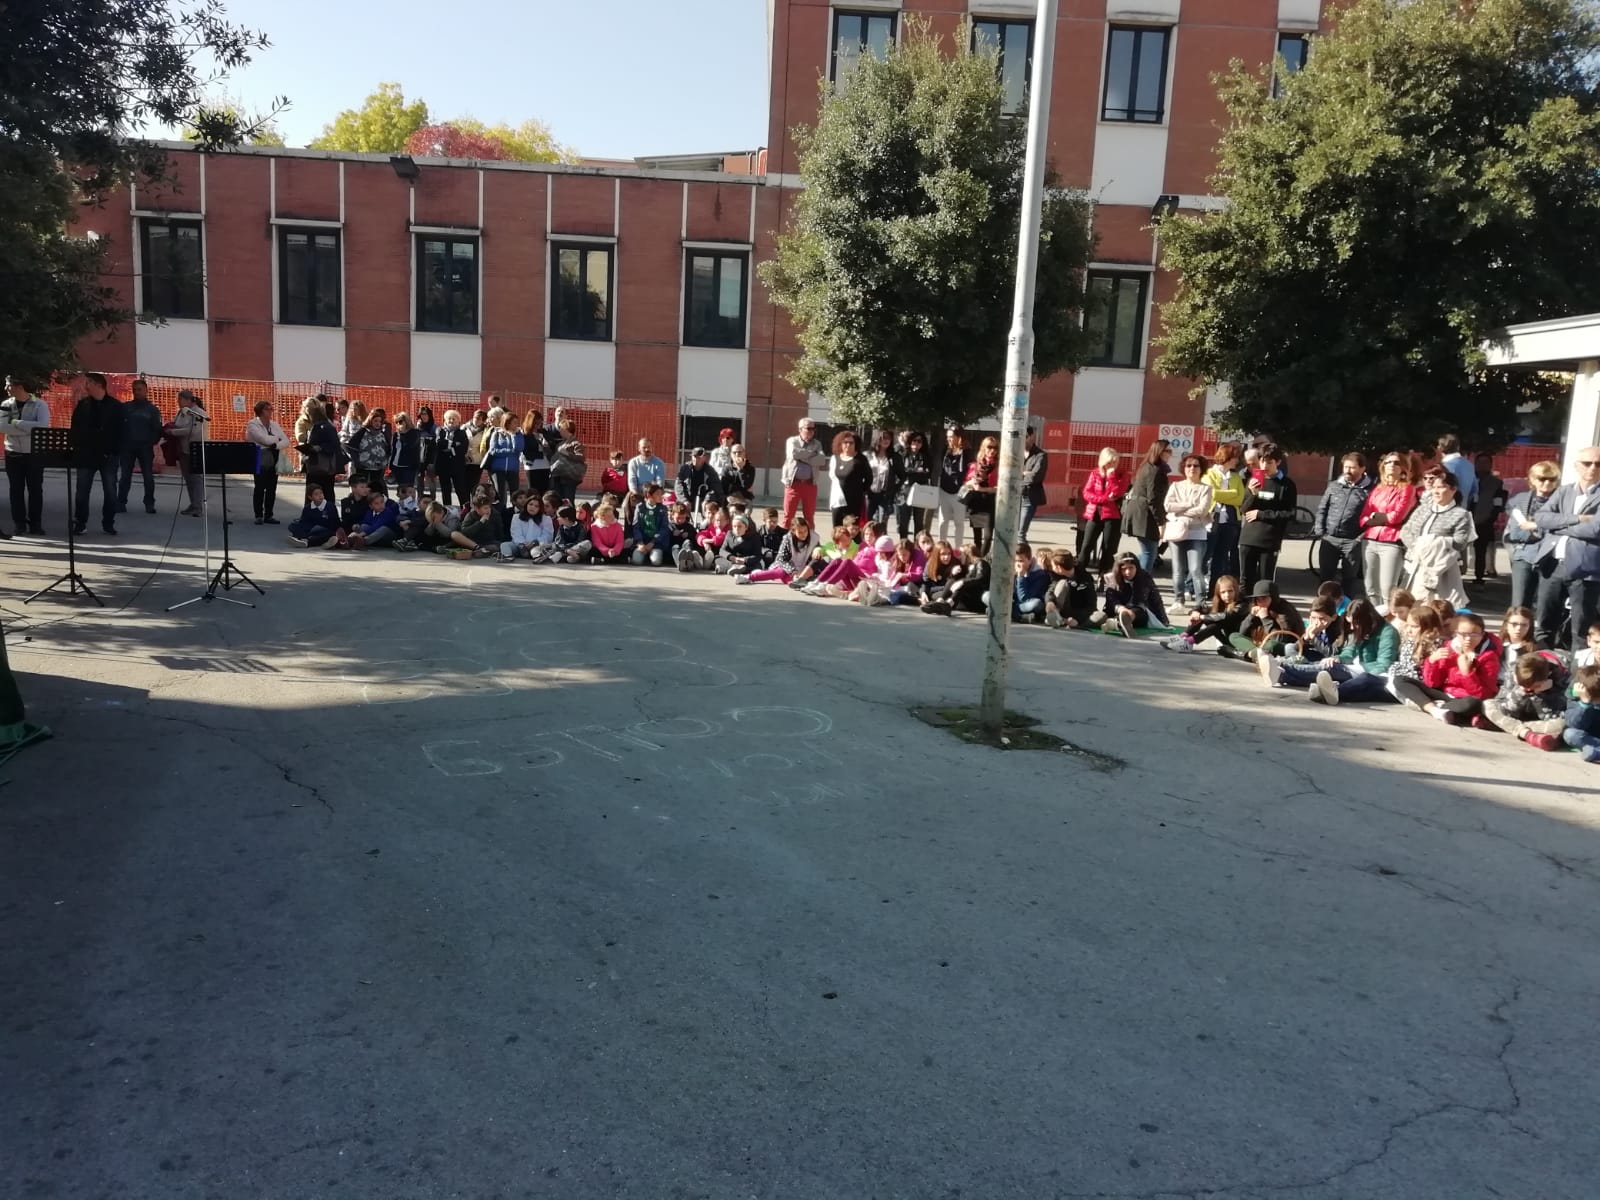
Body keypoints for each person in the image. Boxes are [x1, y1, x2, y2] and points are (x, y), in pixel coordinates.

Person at [1523, 448, 1600, 652]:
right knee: (1544, 624)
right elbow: (1541, 517)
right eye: (1587, 463)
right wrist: (1577, 519)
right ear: (1577, 466)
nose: (1592, 468)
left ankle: (1578, 672)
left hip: (1585, 570)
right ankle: (1544, 667)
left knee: (1580, 629)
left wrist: (1558, 526)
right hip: (1553, 565)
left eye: (1598, 464)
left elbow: (1595, 529)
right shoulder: (1565, 491)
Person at [1260, 599, 1398, 703]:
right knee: (1326, 665)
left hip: (1372, 671)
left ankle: (1282, 671)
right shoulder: (1359, 628)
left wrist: (1353, 668)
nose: (1352, 627)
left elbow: (1384, 664)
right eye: (1349, 622)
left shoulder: (1388, 632)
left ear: (1366, 619)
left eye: (1355, 623)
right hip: (1357, 666)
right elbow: (1349, 651)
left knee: (1331, 669)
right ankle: (1281, 672)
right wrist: (1338, 658)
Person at [1391, 611, 1500, 724]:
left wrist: (1466, 673)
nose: (1468, 639)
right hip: (1445, 694)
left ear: (1482, 635)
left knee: (1472, 704)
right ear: (1456, 633)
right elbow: (1432, 684)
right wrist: (1432, 661)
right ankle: (1434, 709)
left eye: (1474, 635)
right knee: (1400, 680)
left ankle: (1430, 705)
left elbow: (1483, 694)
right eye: (1463, 634)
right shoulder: (1449, 648)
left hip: (1465, 698)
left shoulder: (1489, 657)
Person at [1399, 466, 1475, 608]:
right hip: (1415, 563)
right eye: (1434, 487)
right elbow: (1405, 531)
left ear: (1453, 489)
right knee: (1414, 605)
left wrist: (1433, 542)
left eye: (1441, 487)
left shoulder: (1461, 514)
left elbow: (1460, 542)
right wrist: (1419, 546)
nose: (1436, 491)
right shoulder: (1423, 509)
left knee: (1438, 608)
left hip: (1442, 569)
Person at [1358, 452, 1418, 610]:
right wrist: (1380, 518)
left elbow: (1398, 516)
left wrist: (1376, 518)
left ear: (1403, 468)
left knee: (1387, 588)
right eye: (1388, 462)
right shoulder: (1378, 488)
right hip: (1370, 540)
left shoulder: (1407, 489)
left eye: (1396, 463)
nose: (1391, 465)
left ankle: (1388, 618)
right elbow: (1364, 516)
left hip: (1391, 542)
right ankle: (1374, 618)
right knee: (1370, 587)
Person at [70, 373, 125, 536]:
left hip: (109, 456)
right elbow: (75, 427)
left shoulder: (115, 406)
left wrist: (113, 451)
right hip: (86, 455)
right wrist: (76, 447)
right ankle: (80, 523)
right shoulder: (83, 404)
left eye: (89, 383)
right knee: (82, 491)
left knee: (110, 490)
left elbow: (121, 432)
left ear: (99, 385)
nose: (85, 386)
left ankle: (108, 522)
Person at [1482, 650, 1569, 750]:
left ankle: (1510, 726)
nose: (1529, 690)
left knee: (1561, 724)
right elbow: (1505, 709)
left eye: (1534, 686)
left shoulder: (1563, 675)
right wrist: (1520, 692)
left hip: (1540, 719)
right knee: (1488, 705)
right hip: (1518, 713)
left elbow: (1553, 715)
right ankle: (1527, 734)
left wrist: (1540, 695)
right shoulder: (1515, 670)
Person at [1239, 443, 1296, 591]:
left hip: (1269, 540)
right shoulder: (1253, 480)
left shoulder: (1286, 485)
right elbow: (1243, 509)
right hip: (1248, 538)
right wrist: (1252, 493)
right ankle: (1244, 604)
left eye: (1269, 462)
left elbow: (1290, 513)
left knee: (1265, 582)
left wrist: (1261, 514)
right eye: (1262, 461)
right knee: (1245, 580)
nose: (1264, 466)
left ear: (1278, 462)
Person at [1503, 461, 1560, 610]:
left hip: (1551, 556)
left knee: (1546, 604)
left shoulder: (1562, 501)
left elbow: (1562, 528)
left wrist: (1535, 527)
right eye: (1542, 478)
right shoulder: (1519, 500)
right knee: (1519, 604)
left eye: (1552, 479)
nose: (1547, 483)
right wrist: (1545, 528)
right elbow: (1516, 532)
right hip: (1524, 555)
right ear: (1532, 479)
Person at [1314, 453, 1371, 600]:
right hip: (1330, 538)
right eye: (1346, 467)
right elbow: (1322, 508)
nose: (1347, 471)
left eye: (1352, 467)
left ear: (1362, 468)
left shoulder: (1369, 490)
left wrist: (1359, 539)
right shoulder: (1334, 486)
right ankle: (1323, 605)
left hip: (1352, 541)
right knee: (1325, 577)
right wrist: (1320, 531)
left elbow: (1372, 518)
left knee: (1349, 580)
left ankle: (1346, 609)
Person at [1, 377, 50, 535]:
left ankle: (36, 524)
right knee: (16, 490)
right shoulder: (6, 404)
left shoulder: (39, 404)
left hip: (34, 453)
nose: (6, 388)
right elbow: (2, 426)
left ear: (19, 386)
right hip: (13, 452)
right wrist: (28, 428)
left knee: (35, 490)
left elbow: (42, 426)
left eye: (8, 385)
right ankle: (19, 523)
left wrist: (16, 423)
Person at [1163, 453, 1212, 609]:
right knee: (1178, 569)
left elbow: (1202, 510)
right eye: (1188, 465)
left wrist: (1180, 510)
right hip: (1177, 531)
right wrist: (1189, 505)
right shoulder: (1175, 486)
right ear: (1183, 468)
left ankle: (1201, 602)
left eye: (1196, 465)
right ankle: (1178, 601)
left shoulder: (1206, 488)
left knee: (1195, 569)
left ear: (1201, 469)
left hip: (1197, 532)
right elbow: (1168, 506)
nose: (1192, 468)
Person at [1203, 442, 1248, 591]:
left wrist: (1225, 495)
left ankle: (1213, 590)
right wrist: (1232, 494)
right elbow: (1211, 494)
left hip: (1230, 521)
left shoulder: (1235, 477)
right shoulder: (1209, 474)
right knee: (1205, 554)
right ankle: (1191, 586)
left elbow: (1240, 498)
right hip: (1212, 519)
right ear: (1227, 457)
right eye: (1235, 457)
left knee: (1221, 558)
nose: (1237, 461)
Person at [1093, 551, 1169, 637]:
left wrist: (1164, 620)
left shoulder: (1144, 577)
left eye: (1131, 568)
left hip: (1137, 612)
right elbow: (1111, 599)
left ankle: (1117, 624)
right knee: (1117, 613)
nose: (1128, 572)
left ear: (1137, 567)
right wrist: (1121, 609)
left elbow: (1149, 600)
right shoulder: (1112, 578)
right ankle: (1121, 622)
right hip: (1117, 610)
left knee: (1141, 613)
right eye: (1124, 569)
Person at [1122, 440, 1171, 572]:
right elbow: (1153, 499)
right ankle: (1142, 580)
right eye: (1167, 451)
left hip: (1143, 512)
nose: (1170, 455)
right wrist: (1161, 523)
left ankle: (1128, 570)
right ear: (1159, 452)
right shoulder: (1154, 470)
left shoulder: (1149, 467)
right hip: (1145, 515)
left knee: (1149, 551)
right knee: (1149, 552)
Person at [117, 377, 164, 516]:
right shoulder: (126, 407)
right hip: (127, 447)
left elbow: (157, 429)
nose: (136, 392)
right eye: (134, 389)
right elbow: (119, 426)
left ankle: (149, 503)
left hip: (145, 447)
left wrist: (151, 442)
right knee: (125, 476)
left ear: (145, 390)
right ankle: (121, 502)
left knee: (148, 477)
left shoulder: (152, 410)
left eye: (139, 389)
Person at [1162, 574, 1245, 653]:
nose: (1227, 595)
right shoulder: (1221, 603)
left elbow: (1225, 616)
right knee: (1203, 614)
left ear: (1236, 590)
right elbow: (1203, 608)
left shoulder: (1242, 604)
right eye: (1223, 592)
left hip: (1235, 641)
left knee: (1215, 625)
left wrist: (1201, 617)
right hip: (1225, 636)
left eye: (1230, 591)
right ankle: (1183, 637)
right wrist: (1195, 612)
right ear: (1218, 594)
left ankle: (1189, 642)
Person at [1077, 447, 1128, 574]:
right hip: (1095, 513)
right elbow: (1086, 493)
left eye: (1115, 462)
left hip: (1112, 515)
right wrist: (1103, 499)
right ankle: (1079, 573)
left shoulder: (1122, 475)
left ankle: (1104, 575)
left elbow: (1117, 492)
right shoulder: (1095, 473)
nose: (1112, 465)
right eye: (1109, 462)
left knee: (1108, 548)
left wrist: (1111, 476)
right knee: (1086, 545)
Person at [244, 399, 291, 525]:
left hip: (274, 455)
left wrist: (275, 445)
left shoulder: (274, 424)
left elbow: (286, 441)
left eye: (271, 409)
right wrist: (277, 439)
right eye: (267, 409)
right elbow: (262, 439)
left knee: (272, 487)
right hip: (259, 456)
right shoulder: (253, 424)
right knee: (260, 486)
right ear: (260, 411)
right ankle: (258, 515)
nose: (271, 411)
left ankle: (269, 514)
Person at [741, 515, 820, 585]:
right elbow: (781, 560)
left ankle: (765, 575)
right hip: (785, 567)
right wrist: (793, 571)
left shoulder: (814, 538)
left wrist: (818, 549)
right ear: (793, 531)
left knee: (793, 581)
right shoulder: (787, 539)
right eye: (800, 532)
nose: (804, 534)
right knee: (781, 573)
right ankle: (749, 577)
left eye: (805, 531)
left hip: (803, 570)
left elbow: (818, 554)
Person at [779, 418, 828, 530]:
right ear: (800, 429)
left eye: (813, 429)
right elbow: (794, 454)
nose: (811, 431)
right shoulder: (792, 441)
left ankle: (810, 538)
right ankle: (785, 538)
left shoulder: (817, 444)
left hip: (810, 485)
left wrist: (802, 457)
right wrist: (812, 454)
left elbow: (821, 460)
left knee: (809, 517)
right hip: (793, 484)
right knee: (788, 516)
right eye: (808, 428)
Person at [986, 542, 1048, 623]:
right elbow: (1004, 591)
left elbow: (1024, 598)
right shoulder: (1012, 568)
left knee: (1037, 604)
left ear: (1029, 560)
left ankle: (1003, 611)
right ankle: (1018, 616)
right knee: (987, 595)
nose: (1017, 564)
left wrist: (1020, 576)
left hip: (1026, 603)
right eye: (1015, 561)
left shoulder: (1040, 574)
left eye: (1021, 561)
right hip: (1013, 602)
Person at [1469, 454, 1507, 584]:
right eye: (1480, 462)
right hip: (1466, 518)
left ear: (1490, 465)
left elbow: (1498, 502)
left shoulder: (1496, 483)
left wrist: (1491, 518)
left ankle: (1479, 577)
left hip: (1484, 520)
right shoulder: (1470, 479)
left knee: (1481, 550)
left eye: (1486, 462)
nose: (1482, 465)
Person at [961, 435, 1000, 556]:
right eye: (989, 447)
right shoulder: (975, 465)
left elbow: (1001, 488)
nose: (992, 450)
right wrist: (972, 482)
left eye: (995, 448)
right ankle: (978, 559)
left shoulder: (999, 466)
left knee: (988, 536)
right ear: (984, 448)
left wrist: (983, 489)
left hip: (990, 501)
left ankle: (982, 559)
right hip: (976, 502)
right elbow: (965, 483)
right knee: (977, 537)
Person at [1043, 549, 1097, 629]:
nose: (1052, 568)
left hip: (1079, 611)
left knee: (1100, 616)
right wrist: (1049, 601)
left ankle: (1069, 622)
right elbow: (1051, 589)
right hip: (1063, 609)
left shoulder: (1085, 577)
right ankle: (1057, 616)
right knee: (1062, 584)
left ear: (1059, 568)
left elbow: (1091, 604)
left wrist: (1078, 619)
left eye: (1053, 566)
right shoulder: (1057, 575)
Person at [894, 430, 934, 538]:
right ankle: (903, 543)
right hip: (904, 490)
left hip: (919, 490)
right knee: (903, 520)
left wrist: (911, 472)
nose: (916, 443)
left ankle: (918, 544)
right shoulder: (903, 454)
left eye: (919, 441)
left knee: (919, 521)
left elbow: (927, 473)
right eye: (913, 440)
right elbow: (900, 472)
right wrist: (916, 471)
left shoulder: (926, 456)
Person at [827, 430, 871, 528]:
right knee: (837, 529)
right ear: (840, 444)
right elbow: (832, 477)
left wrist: (860, 491)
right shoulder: (835, 458)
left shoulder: (861, 459)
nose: (848, 445)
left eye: (851, 443)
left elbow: (869, 478)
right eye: (845, 442)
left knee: (852, 529)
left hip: (854, 501)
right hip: (838, 500)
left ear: (856, 444)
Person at [935, 429, 970, 542]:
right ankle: (942, 545)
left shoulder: (967, 451)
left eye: (951, 436)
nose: (948, 439)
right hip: (944, 489)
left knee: (959, 522)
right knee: (943, 521)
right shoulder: (946, 450)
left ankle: (958, 549)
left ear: (958, 437)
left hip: (960, 491)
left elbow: (970, 469)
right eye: (947, 436)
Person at [480, 411, 522, 501]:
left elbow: (519, 448)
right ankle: (501, 509)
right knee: (500, 494)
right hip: (498, 469)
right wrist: (510, 451)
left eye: (517, 422)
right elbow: (493, 451)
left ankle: (514, 509)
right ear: (508, 422)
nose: (517, 425)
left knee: (515, 494)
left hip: (513, 469)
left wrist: (513, 435)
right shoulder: (497, 433)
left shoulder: (518, 434)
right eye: (514, 422)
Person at [626, 437, 668, 526]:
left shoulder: (659, 463)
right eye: (644, 447)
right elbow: (632, 480)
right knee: (627, 502)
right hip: (638, 492)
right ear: (639, 448)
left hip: (653, 492)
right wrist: (635, 492)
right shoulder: (633, 462)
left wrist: (651, 495)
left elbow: (660, 482)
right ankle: (630, 530)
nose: (647, 449)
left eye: (649, 447)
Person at [1562, 666, 1600, 761]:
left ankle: (1596, 752)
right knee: (1570, 734)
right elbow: (1574, 724)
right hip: (1591, 735)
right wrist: (1585, 704)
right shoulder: (1576, 696)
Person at [503, 495, 556, 561]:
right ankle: (508, 557)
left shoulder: (546, 519)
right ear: (526, 505)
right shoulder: (517, 517)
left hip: (536, 545)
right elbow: (516, 534)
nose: (532, 507)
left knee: (535, 550)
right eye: (530, 504)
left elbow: (548, 535)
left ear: (540, 508)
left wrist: (535, 542)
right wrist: (523, 545)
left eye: (536, 506)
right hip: (519, 546)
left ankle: (537, 557)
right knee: (505, 545)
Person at [677, 446, 725, 517]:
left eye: (699, 457)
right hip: (688, 498)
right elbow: (678, 485)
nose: (696, 459)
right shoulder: (685, 468)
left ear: (704, 458)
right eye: (694, 457)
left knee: (709, 507)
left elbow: (716, 489)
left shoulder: (710, 471)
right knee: (679, 508)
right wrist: (684, 500)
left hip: (704, 499)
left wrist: (707, 500)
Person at [632, 483, 673, 566]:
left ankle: (651, 554)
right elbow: (636, 526)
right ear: (649, 495)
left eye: (661, 494)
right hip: (642, 542)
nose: (661, 496)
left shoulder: (663, 509)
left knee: (656, 561)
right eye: (658, 494)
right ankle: (645, 554)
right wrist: (640, 542)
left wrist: (653, 542)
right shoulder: (640, 507)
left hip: (656, 543)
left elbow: (664, 528)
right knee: (636, 561)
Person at [1019, 427, 1048, 540]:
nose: (1023, 440)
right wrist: (1025, 473)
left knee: (1020, 534)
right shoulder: (1014, 453)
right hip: (1013, 495)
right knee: (1008, 531)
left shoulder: (1040, 455)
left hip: (1028, 497)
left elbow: (1035, 477)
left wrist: (1019, 475)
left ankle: (1022, 552)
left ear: (1032, 436)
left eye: (1025, 437)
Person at [549, 420, 586, 506]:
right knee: (557, 499)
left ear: (566, 429)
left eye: (561, 429)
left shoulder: (576, 443)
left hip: (569, 476)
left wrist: (567, 454)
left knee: (568, 499)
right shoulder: (560, 443)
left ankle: (569, 513)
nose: (560, 431)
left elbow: (581, 457)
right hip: (558, 475)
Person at [1437, 434, 1478, 508]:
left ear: (1440, 448)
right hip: (1463, 508)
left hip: (1444, 509)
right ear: (1458, 447)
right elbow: (1474, 490)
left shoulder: (1442, 467)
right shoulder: (1469, 465)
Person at [389, 412, 422, 490]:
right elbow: (393, 450)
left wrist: (402, 434)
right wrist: (391, 465)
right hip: (397, 465)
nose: (398, 424)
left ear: (406, 421)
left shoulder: (414, 433)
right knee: (401, 489)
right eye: (396, 422)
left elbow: (409, 446)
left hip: (409, 466)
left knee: (408, 489)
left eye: (400, 421)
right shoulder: (396, 434)